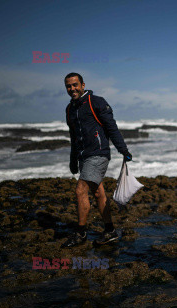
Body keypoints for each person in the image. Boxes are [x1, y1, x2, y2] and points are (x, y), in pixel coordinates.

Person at [63, 72, 132, 248]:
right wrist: (73, 160)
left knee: (80, 190)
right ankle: (110, 230)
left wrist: (123, 149)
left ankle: (81, 233)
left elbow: (111, 127)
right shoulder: (70, 109)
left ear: (83, 85)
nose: (72, 89)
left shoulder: (96, 102)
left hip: (98, 153)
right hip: (83, 156)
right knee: (98, 192)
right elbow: (73, 136)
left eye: (75, 85)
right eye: (69, 86)